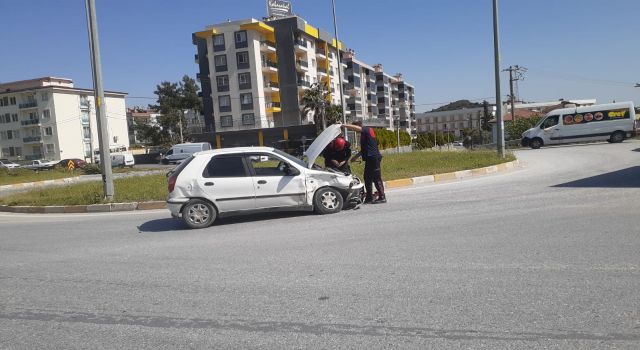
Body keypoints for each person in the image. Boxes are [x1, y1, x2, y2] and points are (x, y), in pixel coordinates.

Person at [343, 121, 386, 204]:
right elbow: (363, 150)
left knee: (376, 178)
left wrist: (343, 125)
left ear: (359, 126)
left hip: (374, 158)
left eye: (355, 128)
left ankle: (382, 197)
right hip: (369, 159)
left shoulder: (367, 130)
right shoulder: (363, 135)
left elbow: (357, 128)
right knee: (367, 178)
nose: (355, 131)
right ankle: (369, 197)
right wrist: (355, 158)